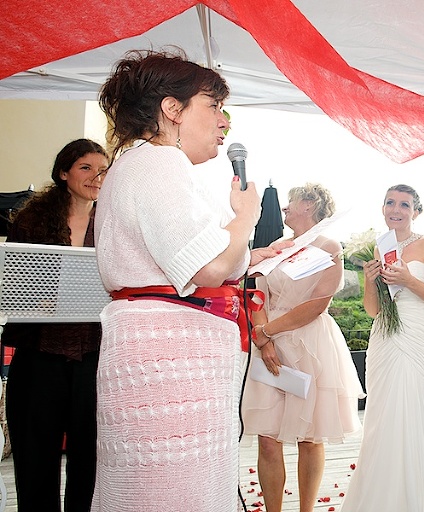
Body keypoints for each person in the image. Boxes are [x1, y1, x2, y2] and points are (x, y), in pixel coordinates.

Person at [93, 49, 284, 511]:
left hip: (160, 351)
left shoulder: (139, 164)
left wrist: (251, 253)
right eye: (213, 105)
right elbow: (208, 269)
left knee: (158, 490)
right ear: (171, 109)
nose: (224, 122)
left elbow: (185, 259)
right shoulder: (159, 162)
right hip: (170, 362)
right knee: (177, 492)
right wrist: (246, 217)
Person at [342, 184, 424, 512]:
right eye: (390, 202)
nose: (396, 209)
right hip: (385, 340)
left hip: (420, 336)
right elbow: (373, 310)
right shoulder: (378, 248)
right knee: (383, 415)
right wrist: (371, 279)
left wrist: (408, 280)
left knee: (421, 413)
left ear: (416, 211)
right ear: (383, 207)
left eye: (404, 204)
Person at [241, 183, 363, 512]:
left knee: (310, 437)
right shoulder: (277, 247)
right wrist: (263, 339)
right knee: (267, 439)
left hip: (310, 344)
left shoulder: (329, 247)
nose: (284, 208)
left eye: (291, 202)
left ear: (309, 204)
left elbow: (317, 304)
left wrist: (268, 331)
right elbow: (257, 293)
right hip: (269, 345)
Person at [3, 138, 108, 512]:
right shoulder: (32, 219)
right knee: (35, 460)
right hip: (40, 356)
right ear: (63, 173)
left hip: (94, 357)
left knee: (90, 461)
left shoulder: (112, 222)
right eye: (85, 167)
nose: (96, 176)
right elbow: (15, 287)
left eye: (102, 169)